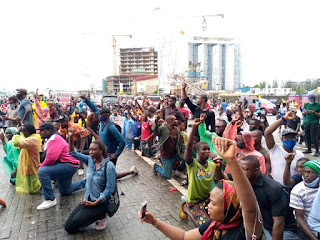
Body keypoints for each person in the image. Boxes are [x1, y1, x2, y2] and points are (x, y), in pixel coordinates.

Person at [138, 136, 263, 240]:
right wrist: (154, 221)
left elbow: (250, 207)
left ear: (228, 207)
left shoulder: (246, 232)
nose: (208, 206)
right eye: (210, 202)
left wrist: (231, 160)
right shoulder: (215, 224)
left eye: (213, 204)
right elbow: (184, 236)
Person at [65, 129, 118, 233]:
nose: (91, 152)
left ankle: (102, 216)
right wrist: (70, 137)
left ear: (101, 150)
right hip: (87, 199)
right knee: (68, 225)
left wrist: (94, 204)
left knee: (71, 228)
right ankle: (89, 216)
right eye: (89, 150)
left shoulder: (109, 166)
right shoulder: (90, 160)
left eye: (94, 150)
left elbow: (109, 189)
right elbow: (72, 152)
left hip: (100, 203)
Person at [236, 155, 298, 240]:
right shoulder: (242, 179)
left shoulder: (273, 189)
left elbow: (279, 222)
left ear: (256, 171)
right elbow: (224, 178)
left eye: (245, 169)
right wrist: (218, 167)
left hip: (279, 228)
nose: (241, 173)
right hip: (260, 223)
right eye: (240, 169)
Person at [37, 123, 80, 210]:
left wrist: (41, 166)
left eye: (42, 131)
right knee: (65, 191)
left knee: (42, 171)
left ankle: (50, 199)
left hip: (68, 165)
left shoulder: (54, 138)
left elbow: (51, 158)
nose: (40, 133)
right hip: (69, 165)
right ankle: (85, 182)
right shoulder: (52, 138)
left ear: (49, 131)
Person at [182, 118, 216, 226]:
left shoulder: (212, 165)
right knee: (203, 227)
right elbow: (188, 148)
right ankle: (186, 208)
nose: (207, 151)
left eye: (208, 149)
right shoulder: (192, 165)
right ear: (197, 152)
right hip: (194, 201)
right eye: (203, 149)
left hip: (207, 199)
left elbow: (219, 179)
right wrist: (194, 127)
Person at [82, 96, 125, 166]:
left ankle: (131, 171)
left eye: (101, 115)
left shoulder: (111, 127)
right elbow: (94, 108)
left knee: (110, 174)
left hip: (110, 155)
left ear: (107, 115)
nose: (99, 116)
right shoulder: (102, 122)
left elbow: (122, 142)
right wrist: (86, 99)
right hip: (103, 153)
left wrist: (116, 154)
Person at [265, 111, 304, 186]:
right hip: (275, 188)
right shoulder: (275, 149)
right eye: (287, 137)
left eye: (293, 137)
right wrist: (283, 119)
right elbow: (267, 132)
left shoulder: (300, 155)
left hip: (292, 188)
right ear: (281, 138)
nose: (290, 139)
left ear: (296, 139)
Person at [290, 160, 320, 240]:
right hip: (308, 229)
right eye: (304, 172)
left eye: (310, 172)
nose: (306, 175)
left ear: (318, 174)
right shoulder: (298, 191)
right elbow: (300, 218)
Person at [151, 112, 185, 179]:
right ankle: (155, 166)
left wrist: (184, 151)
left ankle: (178, 171)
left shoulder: (177, 130)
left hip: (175, 154)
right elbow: (156, 131)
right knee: (168, 176)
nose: (176, 121)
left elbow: (181, 143)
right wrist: (156, 122)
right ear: (169, 121)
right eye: (174, 120)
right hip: (166, 156)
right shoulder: (163, 129)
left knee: (188, 158)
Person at [11, 123, 42, 193]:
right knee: (31, 183)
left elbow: (16, 143)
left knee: (33, 187)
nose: (24, 133)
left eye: (25, 131)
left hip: (31, 164)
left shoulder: (33, 139)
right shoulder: (32, 137)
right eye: (23, 131)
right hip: (29, 165)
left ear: (30, 131)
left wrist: (17, 132)